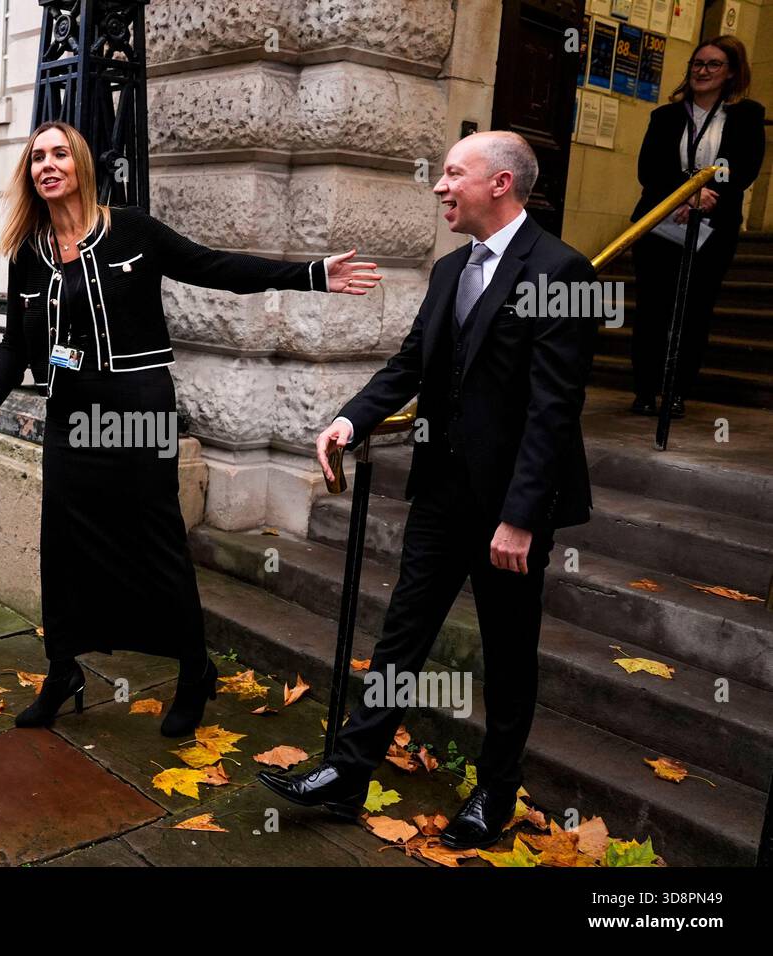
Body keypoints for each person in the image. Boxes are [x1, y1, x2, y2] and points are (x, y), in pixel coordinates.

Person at [0, 121, 383, 738]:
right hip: (70, 411)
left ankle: (194, 669)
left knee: (154, 538)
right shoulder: (27, 251)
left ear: (80, 162)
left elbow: (216, 267)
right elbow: (23, 343)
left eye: (58, 154)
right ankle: (63, 670)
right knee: (66, 542)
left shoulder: (131, 230)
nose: (46, 166)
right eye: (36, 159)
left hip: (137, 406)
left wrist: (311, 275)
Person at [258, 132, 598, 850]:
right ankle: (349, 772)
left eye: (453, 174)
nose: (440, 186)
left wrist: (520, 519)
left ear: (501, 183)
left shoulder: (562, 270)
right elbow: (411, 365)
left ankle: (495, 795)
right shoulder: (449, 271)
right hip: (441, 496)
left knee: (509, 658)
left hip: (511, 512)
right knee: (400, 639)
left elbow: (552, 411)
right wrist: (349, 420)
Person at [628, 34, 765, 419]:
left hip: (714, 227)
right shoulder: (666, 117)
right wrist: (685, 195)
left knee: (694, 311)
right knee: (653, 309)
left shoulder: (747, 115)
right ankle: (644, 391)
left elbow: (744, 167)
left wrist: (705, 195)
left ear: (732, 73)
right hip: (661, 223)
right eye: (697, 64)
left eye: (713, 65)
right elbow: (649, 169)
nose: (702, 71)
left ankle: (676, 392)